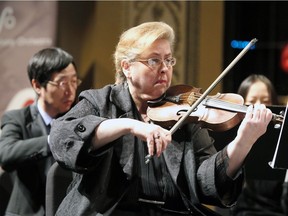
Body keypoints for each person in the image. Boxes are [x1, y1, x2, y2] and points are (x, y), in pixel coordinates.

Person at [49, 22, 272, 216]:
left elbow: (206, 184)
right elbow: (61, 137)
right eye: (154, 61)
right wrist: (131, 126)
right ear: (127, 67)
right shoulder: (101, 102)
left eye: (168, 60)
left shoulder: (186, 109)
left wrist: (243, 142)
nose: (165, 69)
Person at [0, 47, 81, 216]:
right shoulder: (17, 118)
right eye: (62, 83)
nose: (70, 90)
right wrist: (53, 140)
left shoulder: (77, 120)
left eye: (74, 81)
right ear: (37, 85)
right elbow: (6, 154)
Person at [230, 74, 286, 216]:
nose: (261, 107)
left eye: (266, 101)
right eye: (252, 102)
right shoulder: (233, 138)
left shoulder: (283, 139)